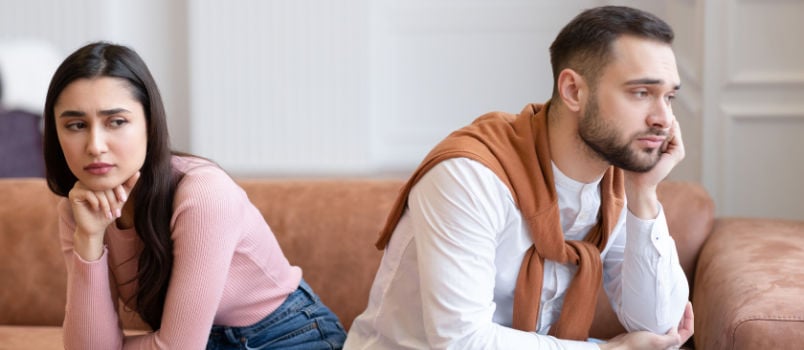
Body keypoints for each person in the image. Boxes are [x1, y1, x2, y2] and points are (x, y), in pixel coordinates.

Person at [345, 5, 693, 350]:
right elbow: (461, 343)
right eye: (641, 93)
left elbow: (660, 326)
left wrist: (643, 191)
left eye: (669, 96)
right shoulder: (469, 176)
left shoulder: (615, 183)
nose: (663, 118)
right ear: (573, 90)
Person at [43, 42, 347, 349]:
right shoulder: (79, 210)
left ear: (149, 124)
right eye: (76, 125)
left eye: (117, 122)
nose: (95, 145)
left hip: (289, 336)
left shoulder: (202, 192)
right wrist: (89, 238)